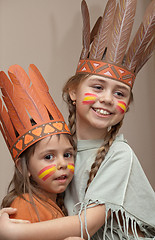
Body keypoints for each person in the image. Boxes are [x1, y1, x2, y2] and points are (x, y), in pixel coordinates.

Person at [0, 0, 155, 239]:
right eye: (97, 86)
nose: (107, 99)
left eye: (119, 93)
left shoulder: (119, 155)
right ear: (73, 92)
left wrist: (14, 233)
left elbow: (86, 226)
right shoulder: (62, 147)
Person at [0, 64, 75, 223]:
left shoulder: (51, 203)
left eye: (67, 154)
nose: (62, 163)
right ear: (22, 167)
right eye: (49, 157)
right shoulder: (26, 206)